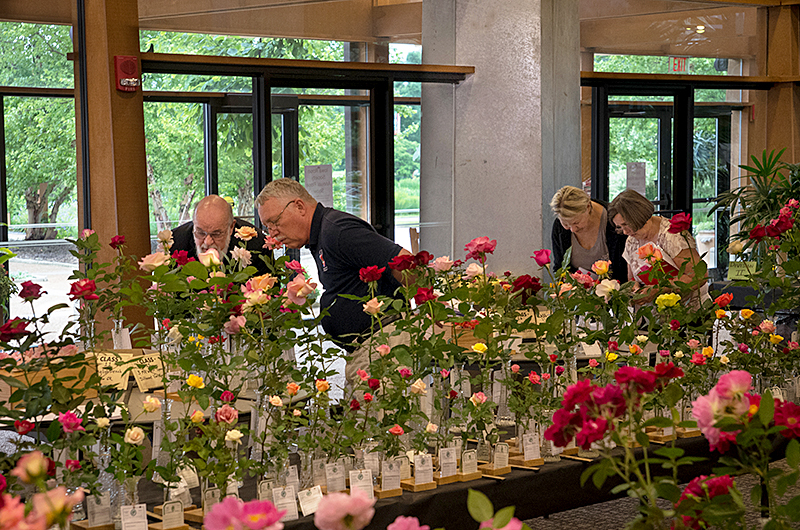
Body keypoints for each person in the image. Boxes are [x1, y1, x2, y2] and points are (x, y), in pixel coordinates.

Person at [255, 178, 411, 383]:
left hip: (383, 345)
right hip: (365, 349)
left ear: (299, 206)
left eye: (275, 222)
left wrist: (429, 310)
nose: (272, 233)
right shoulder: (320, 235)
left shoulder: (338, 230)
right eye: (267, 226)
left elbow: (406, 262)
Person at [608, 189, 710, 307]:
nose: (625, 232)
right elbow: (632, 278)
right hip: (655, 313)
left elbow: (698, 277)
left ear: (639, 217)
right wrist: (635, 288)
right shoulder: (632, 240)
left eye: (626, 225)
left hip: (687, 310)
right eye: (620, 227)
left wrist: (659, 289)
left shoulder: (672, 236)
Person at [171, 195, 271, 276]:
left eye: (216, 234)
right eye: (200, 233)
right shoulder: (175, 243)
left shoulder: (257, 244)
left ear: (231, 228)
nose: (207, 242)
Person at [550, 186, 627, 282]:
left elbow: (624, 269)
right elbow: (559, 267)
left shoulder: (613, 221)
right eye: (566, 224)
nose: (572, 229)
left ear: (588, 207)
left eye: (576, 222)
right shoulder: (559, 228)